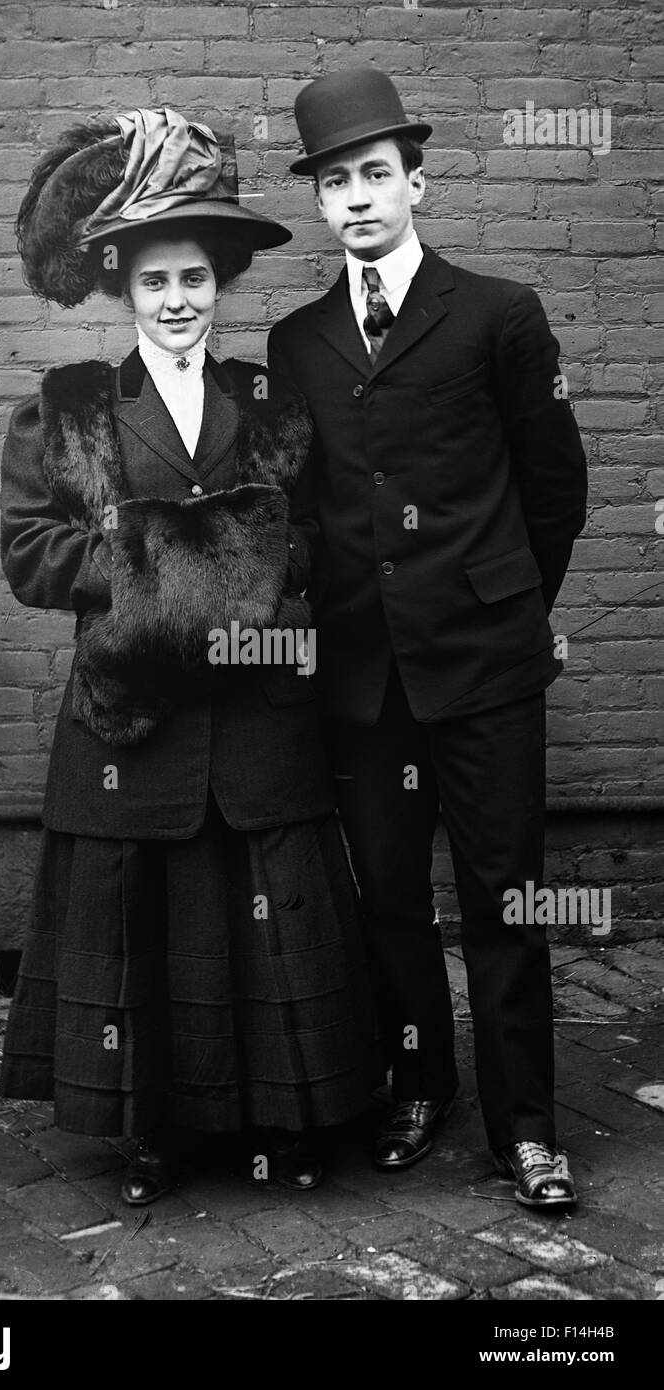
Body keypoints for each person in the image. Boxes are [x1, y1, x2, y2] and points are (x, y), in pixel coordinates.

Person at [0, 108, 379, 1205]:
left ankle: (288, 1119)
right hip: (131, 721)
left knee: (266, 917)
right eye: (156, 282)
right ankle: (148, 1133)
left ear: (221, 287)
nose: (178, 303)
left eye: (197, 282)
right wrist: (178, 560)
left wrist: (256, 571)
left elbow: (312, 541)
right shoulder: (67, 411)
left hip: (258, 714)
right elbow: (31, 556)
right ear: (124, 287)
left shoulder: (270, 403)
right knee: (149, 927)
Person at [268, 69, 588, 1208]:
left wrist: (503, 609)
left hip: (486, 668)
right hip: (361, 681)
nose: (355, 198)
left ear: (417, 179)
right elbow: (303, 513)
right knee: (390, 899)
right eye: (334, 182)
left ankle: (529, 1128)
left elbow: (555, 490)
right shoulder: (297, 342)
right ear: (318, 202)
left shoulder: (497, 314)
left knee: (509, 898)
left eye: (373, 174)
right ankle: (418, 1085)